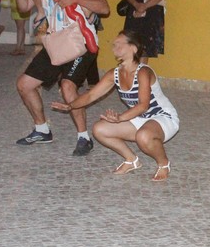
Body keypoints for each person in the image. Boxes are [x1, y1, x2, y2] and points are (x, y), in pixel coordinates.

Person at [14, 0, 109, 156]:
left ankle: (84, 137)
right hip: (57, 43)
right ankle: (42, 130)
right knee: (24, 85)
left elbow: (104, 7)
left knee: (67, 87)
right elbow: (23, 7)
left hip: (81, 42)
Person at [51, 30, 179, 181]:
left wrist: (120, 118)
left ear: (133, 48)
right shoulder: (115, 73)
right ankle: (131, 160)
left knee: (143, 137)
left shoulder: (143, 72)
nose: (114, 47)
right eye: (114, 45)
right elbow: (91, 95)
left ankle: (163, 164)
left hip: (163, 117)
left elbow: (143, 105)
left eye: (119, 44)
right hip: (140, 118)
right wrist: (71, 106)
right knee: (99, 129)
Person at [78, 0, 103, 84]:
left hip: (89, 16)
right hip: (75, 15)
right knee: (76, 47)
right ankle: (77, 78)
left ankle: (93, 81)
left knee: (90, 47)